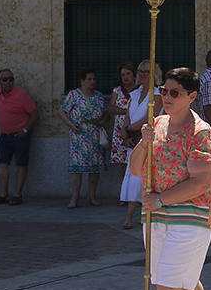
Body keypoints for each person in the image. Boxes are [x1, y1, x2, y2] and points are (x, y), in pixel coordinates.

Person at [124, 68, 211, 290]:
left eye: (174, 93)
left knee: (166, 286)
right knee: (185, 282)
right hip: (157, 216)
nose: (166, 97)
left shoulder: (200, 132)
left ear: (192, 97)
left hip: (190, 217)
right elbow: (137, 170)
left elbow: (202, 181)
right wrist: (143, 142)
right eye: (164, 91)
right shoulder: (158, 125)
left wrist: (162, 199)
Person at [0, 69, 37, 205]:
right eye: (5, 79)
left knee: (21, 164)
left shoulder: (21, 95)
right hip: (5, 135)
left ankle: (17, 194)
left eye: (11, 79)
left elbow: (34, 114)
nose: (9, 82)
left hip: (21, 136)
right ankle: (3, 194)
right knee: (2, 164)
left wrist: (26, 130)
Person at [59, 68, 107, 208]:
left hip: (95, 136)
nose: (92, 82)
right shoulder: (74, 95)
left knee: (94, 168)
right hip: (79, 135)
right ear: (82, 81)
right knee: (77, 169)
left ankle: (92, 196)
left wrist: (103, 120)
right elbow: (62, 111)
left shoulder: (98, 96)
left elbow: (106, 113)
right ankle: (74, 198)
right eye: (89, 79)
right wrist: (70, 124)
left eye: (94, 79)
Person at [120, 61, 160, 229]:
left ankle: (147, 215)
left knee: (145, 178)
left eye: (147, 71)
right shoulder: (134, 94)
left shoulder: (158, 94)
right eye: (141, 71)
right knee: (132, 177)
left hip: (148, 140)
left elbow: (150, 117)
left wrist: (130, 129)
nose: (143, 74)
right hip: (132, 141)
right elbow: (128, 115)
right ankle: (129, 217)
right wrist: (125, 132)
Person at [108, 63, 137, 197]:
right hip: (121, 131)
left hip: (135, 129)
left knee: (137, 162)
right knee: (124, 165)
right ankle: (124, 195)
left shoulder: (139, 90)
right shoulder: (117, 91)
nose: (125, 77)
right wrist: (127, 111)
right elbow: (111, 108)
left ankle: (136, 195)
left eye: (128, 74)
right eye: (123, 75)